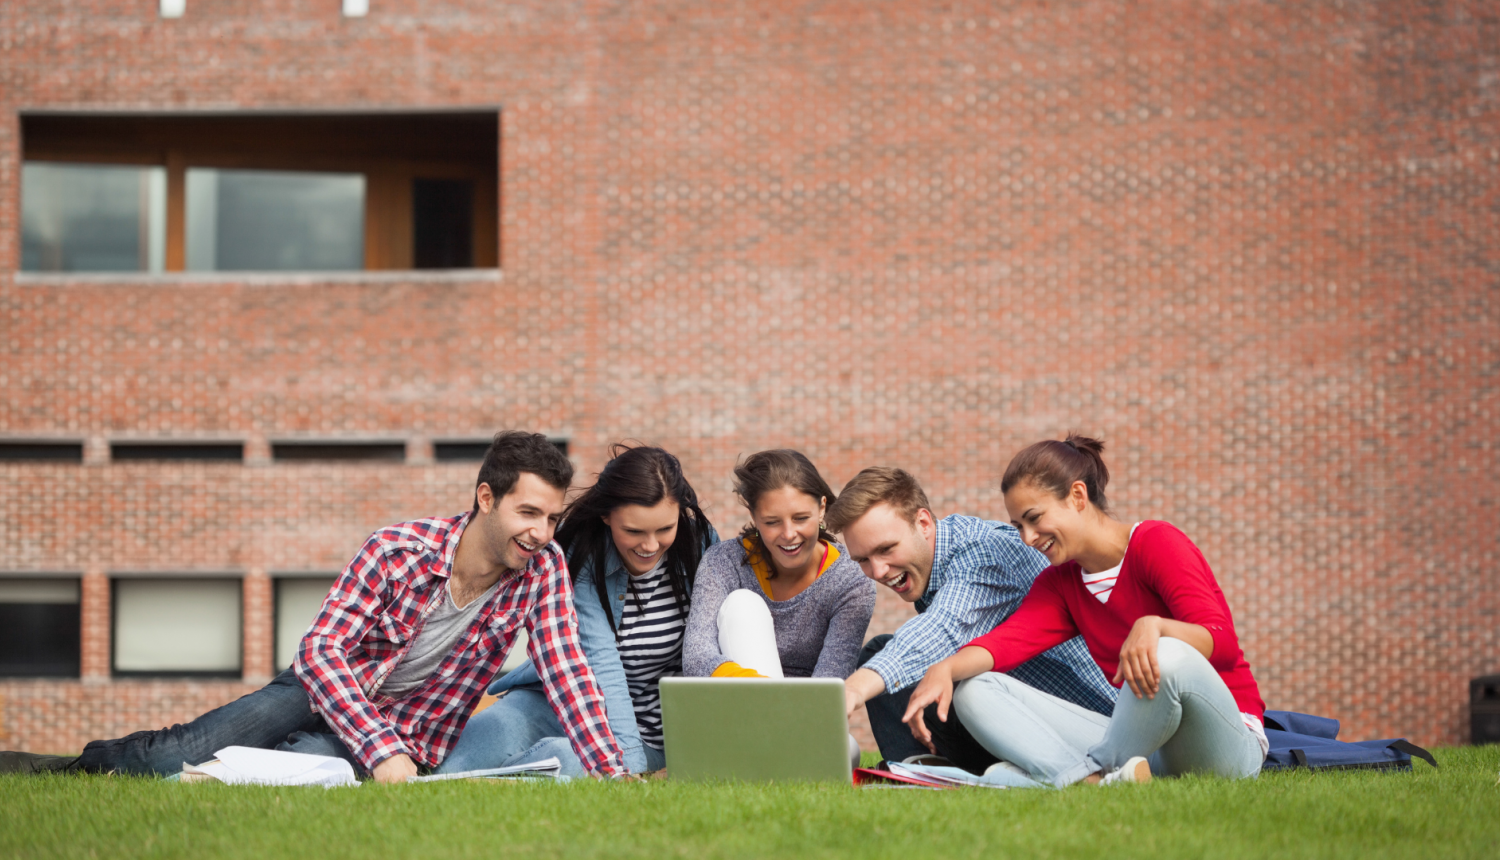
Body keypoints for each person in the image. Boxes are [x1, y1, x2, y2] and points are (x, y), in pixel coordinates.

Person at [0, 431, 628, 782]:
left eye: (552, 517)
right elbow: (322, 650)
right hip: (322, 689)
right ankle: (56, 771)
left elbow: (567, 670)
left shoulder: (542, 568)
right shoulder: (398, 550)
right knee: (173, 752)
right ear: (486, 499)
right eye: (528, 512)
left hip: (409, 729)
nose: (542, 532)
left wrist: (610, 771)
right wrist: (378, 749)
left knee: (289, 777)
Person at [902, 434, 1267, 786]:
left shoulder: (1156, 542)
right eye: (1019, 526)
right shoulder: (1061, 583)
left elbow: (1222, 644)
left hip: (1224, 742)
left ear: (1077, 496)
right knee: (974, 690)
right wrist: (945, 669)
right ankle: (1090, 781)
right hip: (1147, 750)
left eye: (1034, 518)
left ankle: (1064, 775)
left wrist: (1155, 626)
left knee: (1167, 653)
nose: (1028, 538)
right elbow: (1006, 643)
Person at [436, 444, 716, 776]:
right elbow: (602, 662)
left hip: (647, 731)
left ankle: (514, 779)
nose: (650, 545)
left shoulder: (700, 547)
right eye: (634, 531)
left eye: (664, 529)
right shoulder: (582, 553)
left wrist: (629, 766)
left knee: (566, 760)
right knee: (462, 758)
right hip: (557, 702)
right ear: (606, 515)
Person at [828, 465, 1116, 770]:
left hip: (1093, 721)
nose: (878, 571)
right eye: (863, 559)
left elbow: (941, 630)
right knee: (879, 650)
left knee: (969, 686)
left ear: (923, 523)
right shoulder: (931, 566)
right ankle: (918, 771)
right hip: (1016, 715)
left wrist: (854, 690)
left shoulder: (986, 554)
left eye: (886, 549)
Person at [682, 450, 874, 683]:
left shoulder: (850, 578)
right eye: (772, 522)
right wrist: (768, 691)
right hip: (739, 698)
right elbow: (697, 659)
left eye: (801, 518)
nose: (789, 534)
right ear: (753, 516)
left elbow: (831, 681)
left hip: (810, 703)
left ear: (822, 508)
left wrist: (778, 700)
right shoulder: (724, 562)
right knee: (743, 604)